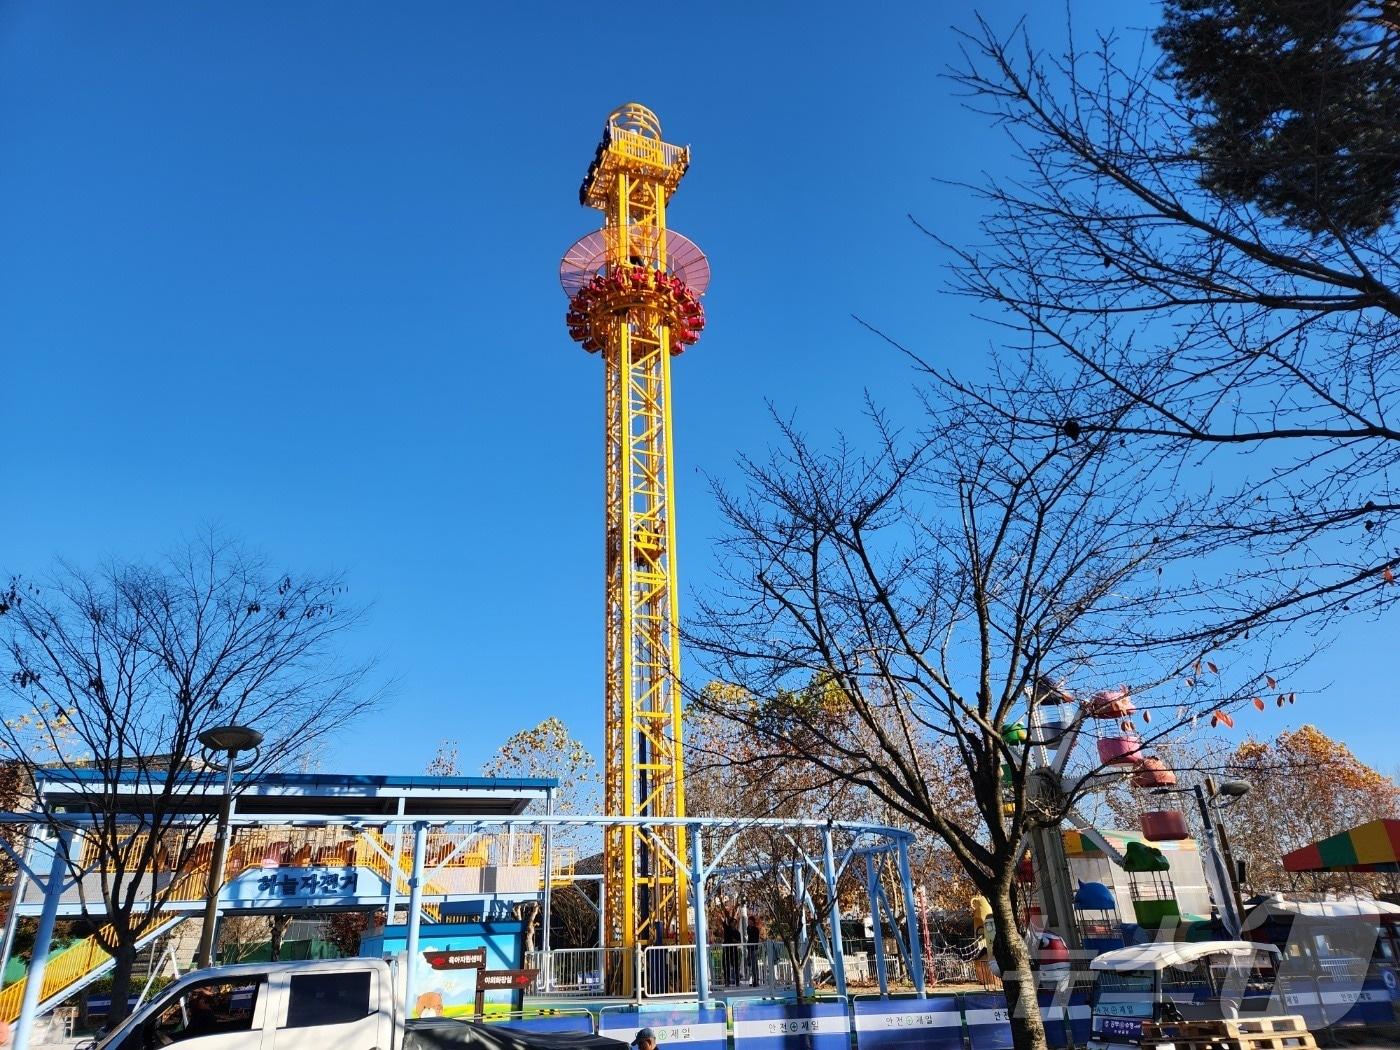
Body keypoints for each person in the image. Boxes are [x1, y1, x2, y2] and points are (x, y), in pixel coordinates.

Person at [746, 916, 762, 986]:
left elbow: (755, 938)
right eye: (748, 921)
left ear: (752, 921)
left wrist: (756, 948)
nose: (748, 922)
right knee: (749, 964)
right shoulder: (748, 928)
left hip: (754, 949)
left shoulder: (756, 929)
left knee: (754, 965)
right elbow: (749, 934)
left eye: (750, 921)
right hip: (749, 948)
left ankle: (756, 980)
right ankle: (751, 980)